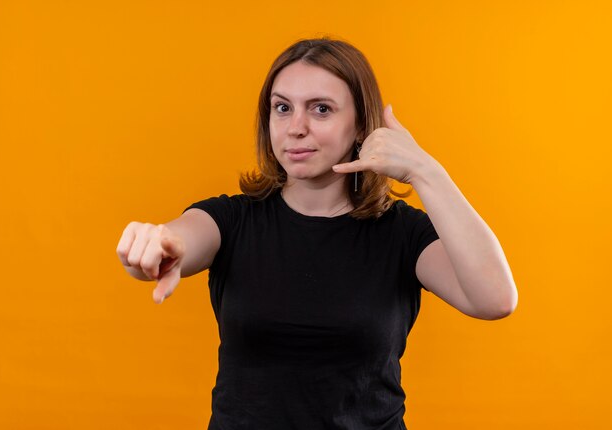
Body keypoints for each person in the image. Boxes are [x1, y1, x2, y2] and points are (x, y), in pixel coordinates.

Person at [116, 38, 518, 430]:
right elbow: (177, 243)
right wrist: (157, 246)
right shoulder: (231, 220)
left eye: (321, 109)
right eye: (282, 108)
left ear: (361, 123)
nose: (296, 128)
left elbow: (495, 298)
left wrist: (425, 172)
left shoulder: (403, 233)